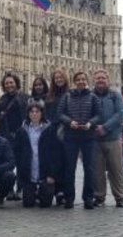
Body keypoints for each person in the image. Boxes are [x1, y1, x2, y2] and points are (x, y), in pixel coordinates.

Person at [57, 71, 102, 209]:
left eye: (83, 79)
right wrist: (69, 122)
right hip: (71, 136)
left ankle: (88, 198)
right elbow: (60, 113)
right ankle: (69, 197)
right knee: (70, 168)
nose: (81, 81)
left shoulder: (93, 97)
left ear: (86, 81)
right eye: (78, 79)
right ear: (74, 81)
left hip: (88, 136)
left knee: (89, 168)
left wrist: (90, 123)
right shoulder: (67, 96)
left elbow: (99, 115)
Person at [92, 70, 123, 208]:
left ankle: (120, 197)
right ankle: (99, 197)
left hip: (113, 138)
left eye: (103, 78)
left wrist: (105, 127)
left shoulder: (115, 95)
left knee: (116, 169)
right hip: (95, 140)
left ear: (108, 80)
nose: (100, 80)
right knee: (97, 171)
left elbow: (120, 114)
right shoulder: (90, 96)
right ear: (93, 80)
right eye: (98, 78)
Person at [15, 102, 60, 208]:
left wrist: (52, 175)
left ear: (42, 113)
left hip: (46, 172)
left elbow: (56, 153)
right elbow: (17, 152)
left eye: (37, 111)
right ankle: (32, 192)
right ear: (28, 114)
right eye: (31, 112)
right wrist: (22, 175)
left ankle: (43, 191)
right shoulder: (22, 130)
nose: (34, 114)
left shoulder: (50, 129)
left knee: (45, 204)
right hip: (29, 172)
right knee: (28, 204)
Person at [0, 73, 28, 201]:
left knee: (22, 163)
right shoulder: (1, 100)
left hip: (22, 135)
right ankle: (9, 189)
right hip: (7, 136)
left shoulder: (25, 97)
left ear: (16, 83)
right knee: (8, 164)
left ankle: (20, 188)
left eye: (11, 82)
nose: (9, 85)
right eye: (7, 83)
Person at [45, 70, 69, 206]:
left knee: (66, 162)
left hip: (66, 131)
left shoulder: (70, 94)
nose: (59, 79)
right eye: (56, 78)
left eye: (61, 77)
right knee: (55, 161)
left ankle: (65, 191)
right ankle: (57, 191)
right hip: (52, 131)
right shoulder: (50, 96)